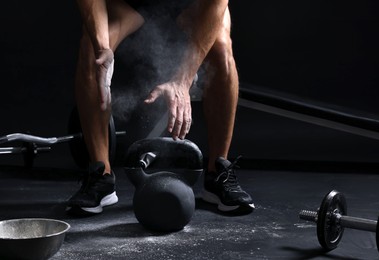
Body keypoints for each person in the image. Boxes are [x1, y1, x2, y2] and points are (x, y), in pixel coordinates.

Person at [67, 0, 255, 215]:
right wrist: (103, 48)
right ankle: (101, 174)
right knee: (93, 52)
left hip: (189, 5)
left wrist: (182, 81)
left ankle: (217, 172)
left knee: (221, 48)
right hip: (125, 5)